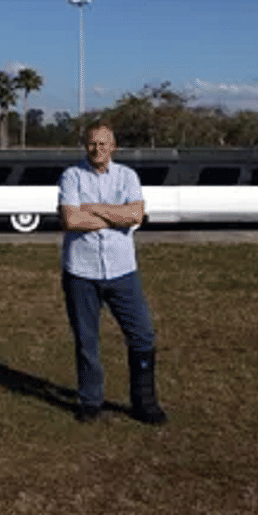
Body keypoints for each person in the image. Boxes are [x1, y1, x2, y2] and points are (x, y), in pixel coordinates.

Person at [57, 122, 166, 426]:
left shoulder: (127, 176)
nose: (98, 149)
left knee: (142, 335)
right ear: (85, 146)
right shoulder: (71, 176)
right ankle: (91, 401)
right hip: (81, 272)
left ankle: (144, 402)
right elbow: (71, 220)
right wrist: (117, 216)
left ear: (113, 147)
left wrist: (93, 208)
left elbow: (136, 214)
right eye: (92, 144)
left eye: (103, 144)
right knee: (86, 340)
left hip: (122, 272)